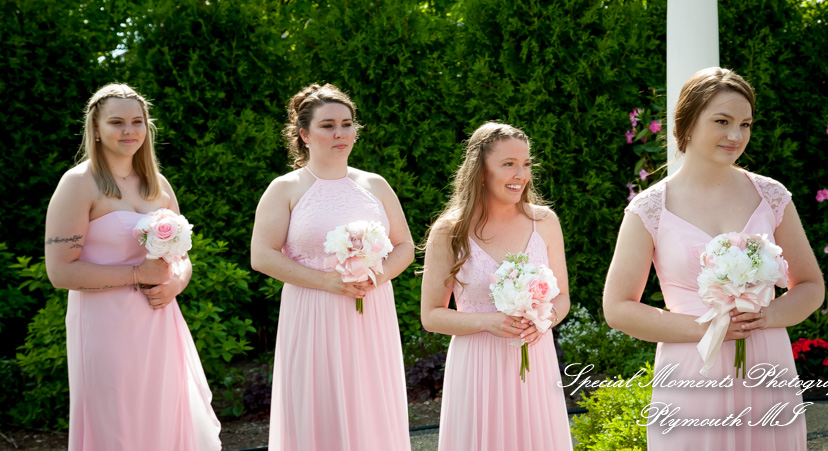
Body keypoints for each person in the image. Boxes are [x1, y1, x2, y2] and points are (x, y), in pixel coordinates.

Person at [603, 67, 825, 450]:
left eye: (745, 124)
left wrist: (768, 316)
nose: (736, 136)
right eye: (722, 121)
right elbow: (618, 307)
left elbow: (810, 285)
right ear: (686, 124)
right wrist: (704, 329)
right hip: (692, 371)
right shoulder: (650, 208)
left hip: (767, 368)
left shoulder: (771, 196)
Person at [44, 83, 221, 450]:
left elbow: (181, 255)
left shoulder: (157, 185)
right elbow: (60, 272)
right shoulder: (79, 184)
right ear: (95, 128)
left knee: (165, 415)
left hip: (159, 321)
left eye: (137, 121)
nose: (129, 131)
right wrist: (138, 274)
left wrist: (177, 283)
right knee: (117, 422)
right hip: (105, 325)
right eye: (117, 122)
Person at [251, 83, 414, 451]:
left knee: (370, 402)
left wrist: (377, 275)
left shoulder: (375, 184)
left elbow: (405, 246)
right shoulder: (285, 188)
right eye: (328, 125)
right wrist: (326, 282)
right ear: (304, 135)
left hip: (370, 310)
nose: (340, 132)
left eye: (347, 123)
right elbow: (261, 255)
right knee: (318, 404)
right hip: (313, 312)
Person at [421, 122, 573, 451]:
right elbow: (431, 315)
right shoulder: (449, 231)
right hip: (476, 368)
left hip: (534, 362)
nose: (521, 174)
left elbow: (561, 298)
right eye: (508, 164)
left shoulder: (545, 222)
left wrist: (545, 320)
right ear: (481, 171)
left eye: (526, 164)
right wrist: (486, 321)